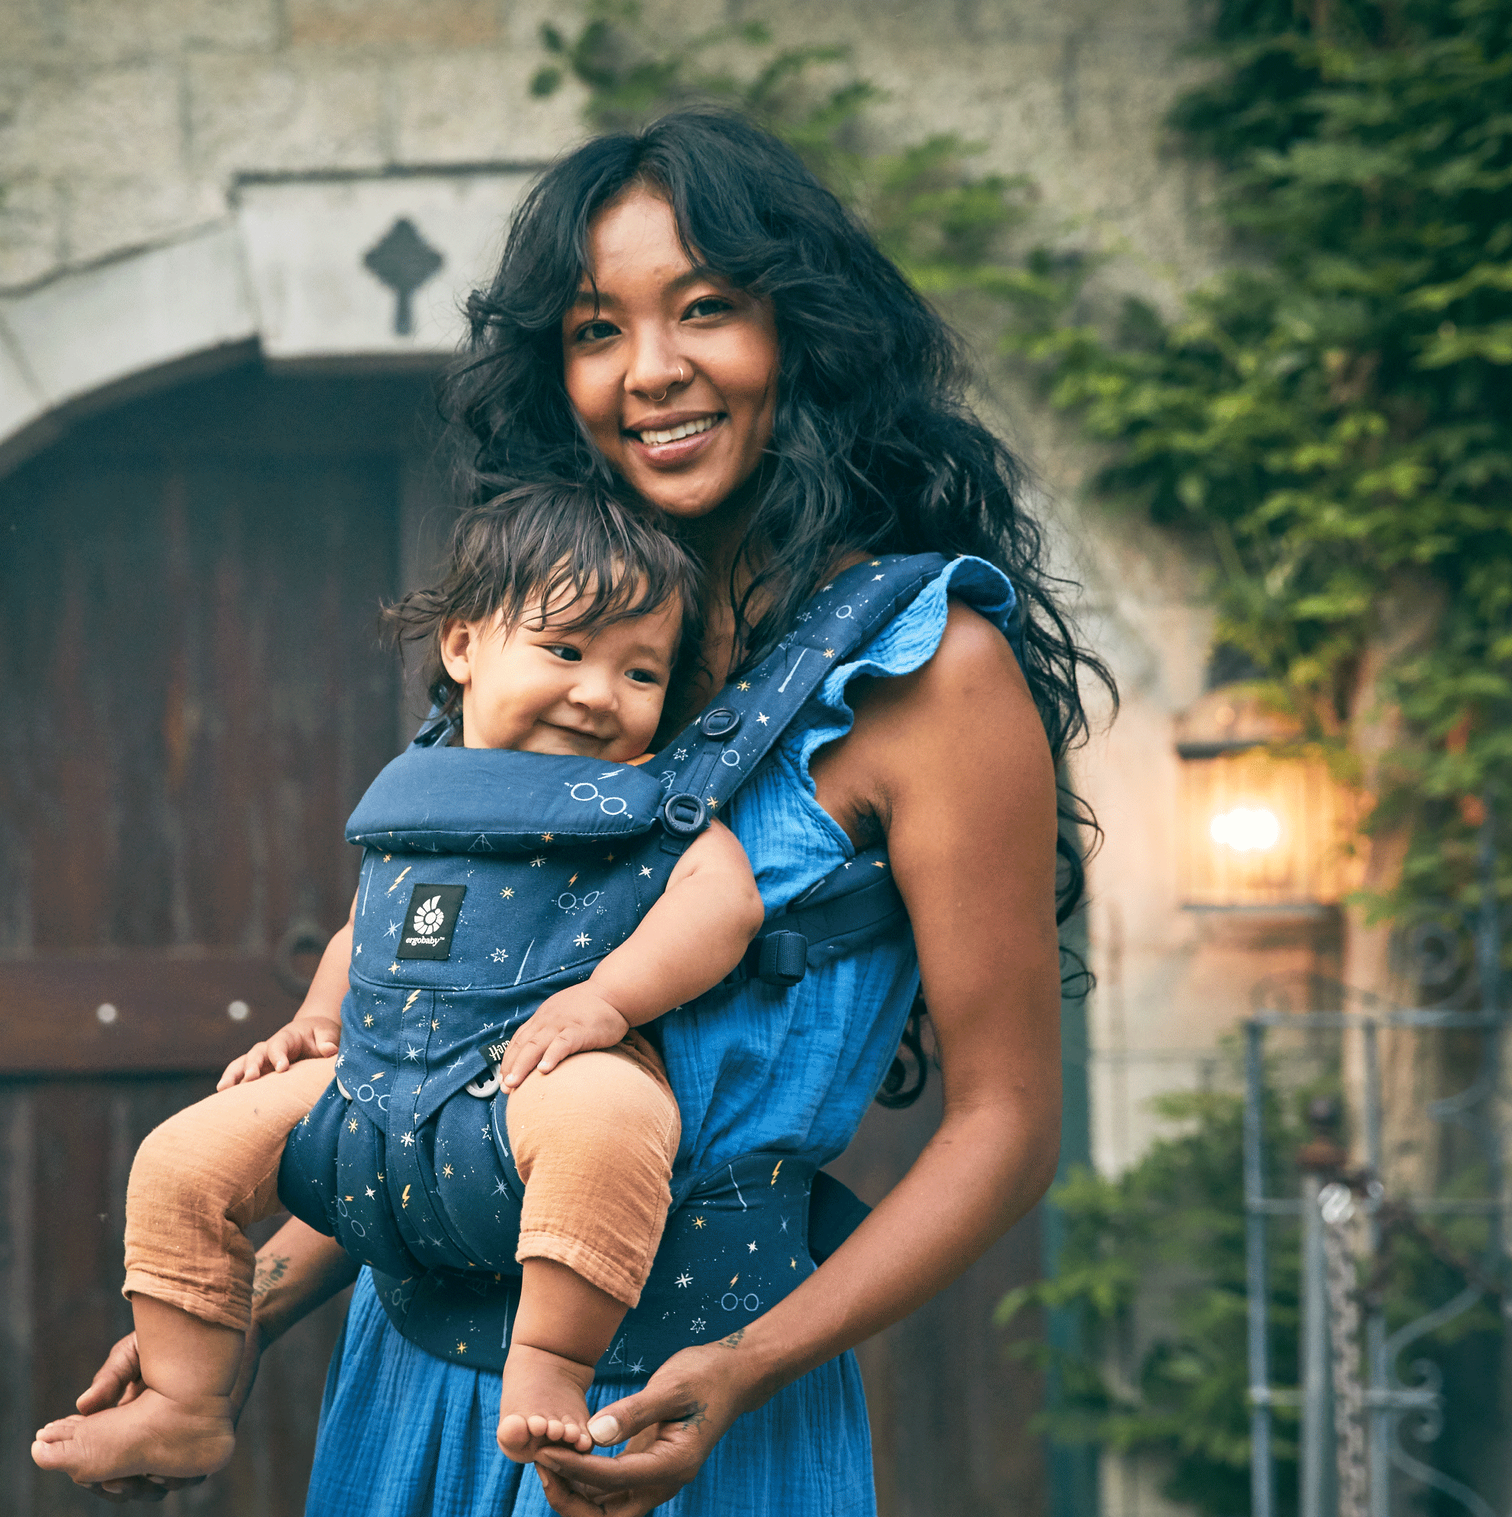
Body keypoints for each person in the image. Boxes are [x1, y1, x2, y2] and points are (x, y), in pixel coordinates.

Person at [70, 106, 1108, 1516]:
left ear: (801, 332)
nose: (654, 370)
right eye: (595, 328)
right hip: (414, 1387)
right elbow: (437, 1068)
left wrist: (747, 1365)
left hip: (685, 1402)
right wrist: (237, 1308)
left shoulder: (931, 672)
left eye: (706, 310)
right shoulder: (550, 653)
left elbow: (1005, 1123)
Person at [31, 484, 772, 1485]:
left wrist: (612, 1000)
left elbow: (718, 900)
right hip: (370, 1078)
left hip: (535, 1071)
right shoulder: (422, 793)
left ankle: (549, 1363)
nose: (598, 691)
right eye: (564, 649)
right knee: (179, 1158)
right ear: (463, 647)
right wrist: (311, 1020)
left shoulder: (645, 802)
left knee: (611, 1127)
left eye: (638, 670)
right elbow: (366, 927)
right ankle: (185, 1400)